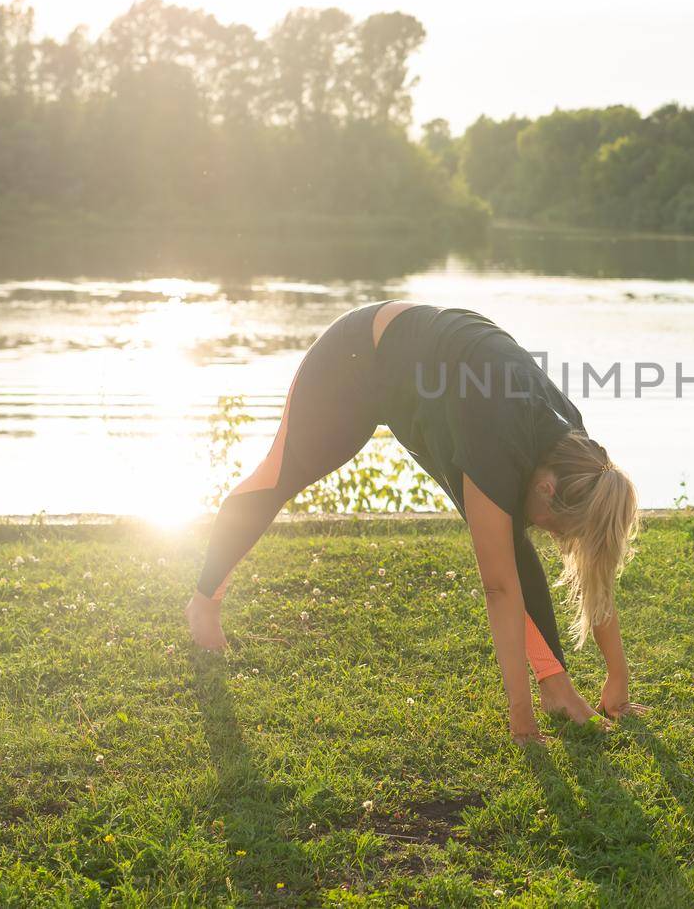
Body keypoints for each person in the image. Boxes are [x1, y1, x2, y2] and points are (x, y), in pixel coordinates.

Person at [186, 301, 642, 741]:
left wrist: (617, 678)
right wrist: (520, 720)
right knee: (277, 477)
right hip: (358, 358)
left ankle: (556, 689)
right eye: (555, 527)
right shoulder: (496, 438)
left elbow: (594, 556)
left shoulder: (578, 451)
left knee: (509, 538)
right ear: (548, 488)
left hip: (445, 383)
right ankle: (203, 603)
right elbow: (499, 586)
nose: (550, 534)